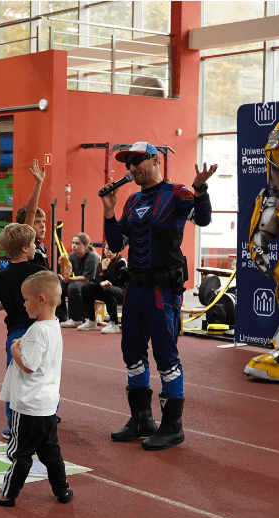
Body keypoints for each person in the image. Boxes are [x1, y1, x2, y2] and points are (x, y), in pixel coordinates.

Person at [100, 141, 216, 450]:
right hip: (135, 290)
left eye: (137, 161)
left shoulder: (177, 193)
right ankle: (141, 419)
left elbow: (202, 219)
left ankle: (172, 426)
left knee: (166, 356)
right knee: (132, 354)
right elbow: (116, 242)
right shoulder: (133, 199)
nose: (132, 168)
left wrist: (201, 190)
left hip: (163, 291)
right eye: (128, 164)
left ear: (155, 159)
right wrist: (110, 212)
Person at [0, 271, 72, 507]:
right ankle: (62, 490)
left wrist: (15, 350)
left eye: (26, 300)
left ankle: (8, 494)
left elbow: (29, 366)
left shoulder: (37, 331)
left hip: (27, 406)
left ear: (41, 300)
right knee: (50, 451)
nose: (23, 305)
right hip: (46, 405)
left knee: (19, 454)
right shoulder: (54, 326)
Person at [0, 223, 47, 440]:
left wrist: (8, 305)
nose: (34, 246)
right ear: (25, 249)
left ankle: (14, 426)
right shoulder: (40, 272)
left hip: (16, 334)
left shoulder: (1, 276)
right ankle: (45, 420)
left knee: (15, 380)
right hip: (41, 330)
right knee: (44, 376)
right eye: (32, 243)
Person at [78, 247, 128, 334]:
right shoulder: (101, 260)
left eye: (113, 249)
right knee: (86, 288)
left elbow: (118, 283)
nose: (110, 252)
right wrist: (101, 282)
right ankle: (91, 321)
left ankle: (114, 323)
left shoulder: (122, 262)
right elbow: (96, 279)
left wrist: (106, 270)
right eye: (108, 249)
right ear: (104, 250)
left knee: (108, 290)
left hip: (122, 292)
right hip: (106, 291)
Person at [57, 232, 100, 327]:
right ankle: (61, 318)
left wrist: (69, 280)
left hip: (93, 285)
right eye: (73, 243)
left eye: (77, 243)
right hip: (78, 282)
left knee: (73, 287)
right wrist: (62, 266)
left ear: (85, 246)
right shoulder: (72, 256)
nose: (73, 246)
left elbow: (86, 279)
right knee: (58, 285)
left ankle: (78, 319)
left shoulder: (92, 256)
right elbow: (67, 275)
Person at [15, 159, 49, 269]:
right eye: (37, 222)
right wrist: (39, 183)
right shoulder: (26, 241)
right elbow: (30, 212)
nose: (42, 225)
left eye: (43, 221)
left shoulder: (41, 247)